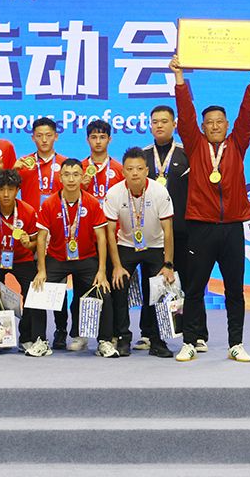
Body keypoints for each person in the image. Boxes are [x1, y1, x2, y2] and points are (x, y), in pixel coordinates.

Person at [169, 54, 250, 362]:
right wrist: (179, 77)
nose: (214, 126)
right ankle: (190, 341)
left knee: (234, 290)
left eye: (219, 122)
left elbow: (248, 115)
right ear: (203, 126)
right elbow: (184, 114)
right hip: (201, 227)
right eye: (209, 122)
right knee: (194, 289)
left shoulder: (237, 144)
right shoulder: (195, 145)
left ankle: (236, 343)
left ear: (226, 125)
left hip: (232, 228)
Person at [33, 159, 115, 357]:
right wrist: (41, 270)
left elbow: (101, 238)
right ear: (60, 178)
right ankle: (40, 341)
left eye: (76, 175)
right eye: (67, 175)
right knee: (37, 291)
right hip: (57, 258)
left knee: (104, 291)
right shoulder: (49, 203)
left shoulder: (92, 203)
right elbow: (41, 238)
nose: (71, 179)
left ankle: (104, 341)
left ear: (82, 177)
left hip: (86, 258)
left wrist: (102, 271)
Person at [104, 147, 176, 358]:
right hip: (126, 245)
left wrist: (168, 264)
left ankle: (157, 340)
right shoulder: (114, 193)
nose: (134, 173)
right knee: (119, 286)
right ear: (123, 171)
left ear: (147, 170)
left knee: (158, 290)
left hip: (155, 245)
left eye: (139, 168)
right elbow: (110, 233)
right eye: (129, 169)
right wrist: (117, 266)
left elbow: (168, 230)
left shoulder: (160, 192)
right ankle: (123, 338)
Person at [140, 105, 200, 351]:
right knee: (151, 284)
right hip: (152, 234)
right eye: (155, 121)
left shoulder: (188, 153)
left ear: (174, 124)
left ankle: (197, 334)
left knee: (190, 283)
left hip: (183, 231)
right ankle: (147, 333)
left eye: (164, 121)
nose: (159, 125)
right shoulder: (142, 156)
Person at [14, 117, 68, 349]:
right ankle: (35, 335)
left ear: (56, 136)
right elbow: (7, 191)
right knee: (34, 285)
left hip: (56, 233)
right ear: (33, 137)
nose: (44, 139)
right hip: (30, 232)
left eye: (48, 135)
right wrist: (13, 170)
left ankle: (61, 330)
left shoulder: (64, 165)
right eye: (39, 135)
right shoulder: (23, 164)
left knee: (58, 284)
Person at [0, 170, 42, 355]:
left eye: (11, 189)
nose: (6, 194)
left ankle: (26, 338)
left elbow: (37, 243)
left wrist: (29, 244)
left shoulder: (28, 212)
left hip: (22, 258)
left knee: (33, 291)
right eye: (1, 189)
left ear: (17, 190)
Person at [81, 119, 124, 207]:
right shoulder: (79, 168)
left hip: (112, 214)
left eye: (102, 137)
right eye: (94, 137)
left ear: (109, 139)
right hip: (87, 214)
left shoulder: (120, 169)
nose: (98, 141)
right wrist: (81, 187)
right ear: (87, 140)